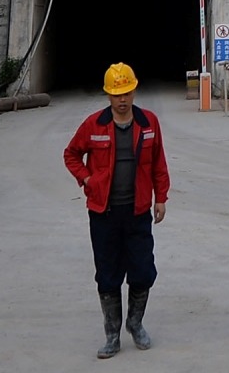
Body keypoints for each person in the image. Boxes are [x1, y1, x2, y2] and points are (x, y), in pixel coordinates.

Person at [64, 63, 171, 359]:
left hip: (137, 213)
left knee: (143, 272)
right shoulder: (94, 125)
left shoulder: (149, 123)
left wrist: (161, 197)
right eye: (116, 94)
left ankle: (135, 324)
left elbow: (159, 162)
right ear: (108, 95)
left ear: (134, 91)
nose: (122, 99)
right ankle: (112, 336)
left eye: (126, 93)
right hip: (104, 214)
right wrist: (87, 179)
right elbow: (71, 154)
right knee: (108, 275)